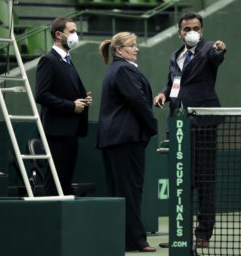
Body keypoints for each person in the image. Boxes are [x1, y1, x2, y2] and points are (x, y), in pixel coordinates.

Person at [153, 12, 226, 249]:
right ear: (180, 32)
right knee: (181, 180)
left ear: (202, 31)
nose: (192, 31)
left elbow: (217, 56)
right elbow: (173, 82)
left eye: (196, 28)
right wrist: (164, 93)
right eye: (187, 28)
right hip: (180, 126)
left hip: (203, 124)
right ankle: (179, 233)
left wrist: (219, 49)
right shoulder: (176, 55)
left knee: (205, 180)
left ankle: (203, 233)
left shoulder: (208, 51)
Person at [97, 32, 157, 252]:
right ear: (119, 50)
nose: (136, 48)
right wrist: (152, 126)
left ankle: (122, 238)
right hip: (125, 139)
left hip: (116, 140)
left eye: (136, 45)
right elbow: (138, 101)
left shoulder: (118, 69)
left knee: (120, 192)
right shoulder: (123, 69)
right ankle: (135, 240)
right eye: (132, 45)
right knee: (129, 191)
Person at [35, 17, 92, 195]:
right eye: (72, 31)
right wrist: (71, 106)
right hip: (56, 134)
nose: (76, 35)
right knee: (54, 185)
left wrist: (83, 100)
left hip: (70, 133)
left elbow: (66, 91)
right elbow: (41, 95)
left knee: (65, 185)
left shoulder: (67, 60)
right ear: (59, 35)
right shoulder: (48, 60)